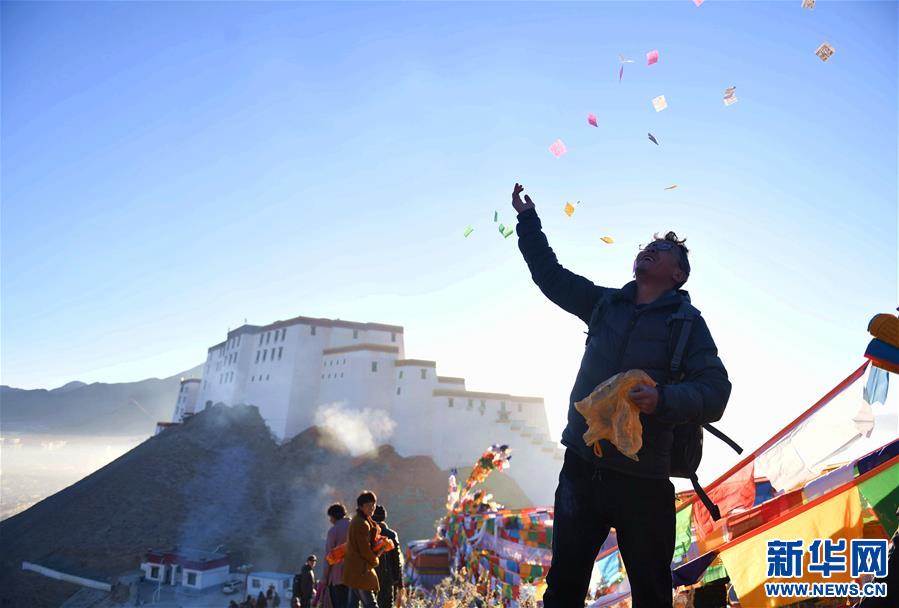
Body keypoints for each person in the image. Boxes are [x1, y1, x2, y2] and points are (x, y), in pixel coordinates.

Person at [511, 183, 732, 608]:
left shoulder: (687, 325)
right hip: (582, 468)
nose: (650, 248)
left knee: (651, 594)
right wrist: (528, 220)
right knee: (563, 591)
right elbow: (550, 275)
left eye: (663, 247)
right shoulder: (604, 305)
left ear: (679, 274)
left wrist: (662, 398)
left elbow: (715, 391)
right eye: (647, 244)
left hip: (644, 480)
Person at [344, 491, 387, 608]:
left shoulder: (359, 520)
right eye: (368, 505)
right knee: (370, 604)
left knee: (353, 604)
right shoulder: (361, 523)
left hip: (354, 568)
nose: (372, 508)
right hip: (361, 569)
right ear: (361, 506)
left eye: (373, 504)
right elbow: (364, 549)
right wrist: (375, 559)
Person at [371, 505, 403, 608]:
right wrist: (398, 580)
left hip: (370, 576)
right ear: (384, 517)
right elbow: (396, 559)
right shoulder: (391, 535)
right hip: (387, 578)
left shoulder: (367, 534)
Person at [323, 503, 352, 608]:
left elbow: (329, 558)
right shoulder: (355, 526)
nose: (330, 521)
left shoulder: (333, 531)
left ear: (334, 516)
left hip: (338, 577)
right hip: (355, 576)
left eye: (330, 517)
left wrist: (325, 578)